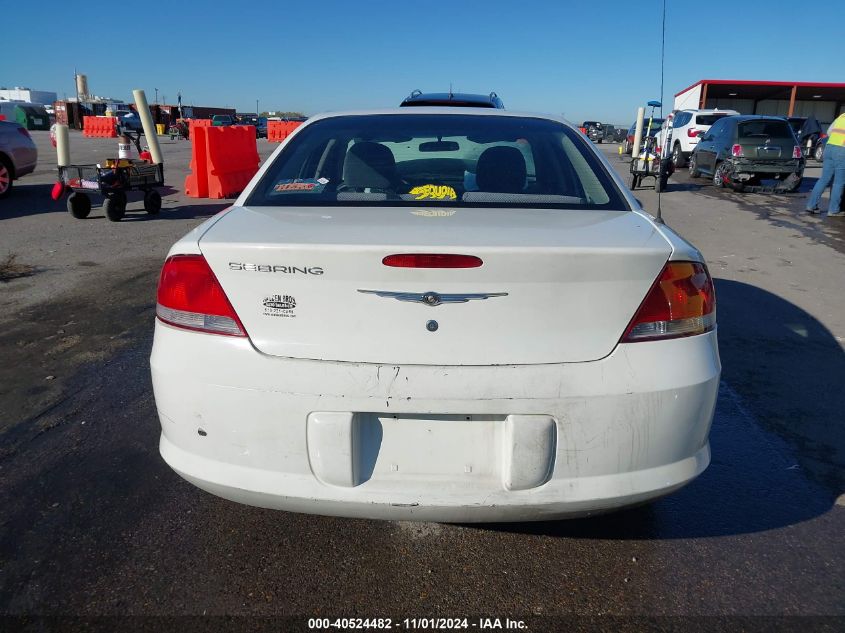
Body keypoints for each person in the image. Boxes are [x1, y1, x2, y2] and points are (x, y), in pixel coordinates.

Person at [806, 111, 845, 216]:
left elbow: (829, 132)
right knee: (838, 183)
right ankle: (833, 210)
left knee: (824, 179)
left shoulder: (841, 116)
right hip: (842, 151)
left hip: (829, 148)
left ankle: (811, 205)